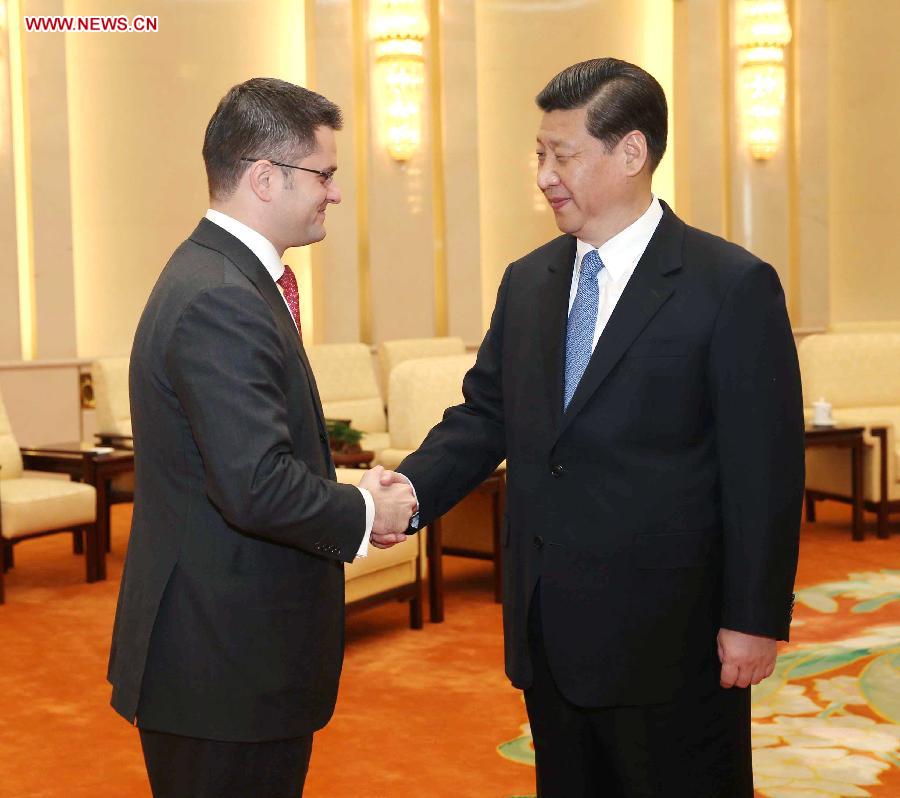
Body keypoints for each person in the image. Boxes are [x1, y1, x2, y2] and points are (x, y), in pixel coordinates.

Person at [391, 58, 804, 796]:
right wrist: (406, 495)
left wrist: (754, 618)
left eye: (563, 154)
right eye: (539, 154)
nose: (545, 174)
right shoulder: (528, 281)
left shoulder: (730, 285)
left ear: (632, 153)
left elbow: (764, 471)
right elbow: (485, 415)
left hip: (671, 642)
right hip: (550, 631)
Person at [107, 77, 416, 798]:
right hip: (223, 666)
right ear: (265, 178)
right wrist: (368, 513)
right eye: (325, 174)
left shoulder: (226, 277)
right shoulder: (221, 295)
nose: (334, 193)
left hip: (227, 655)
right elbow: (255, 485)